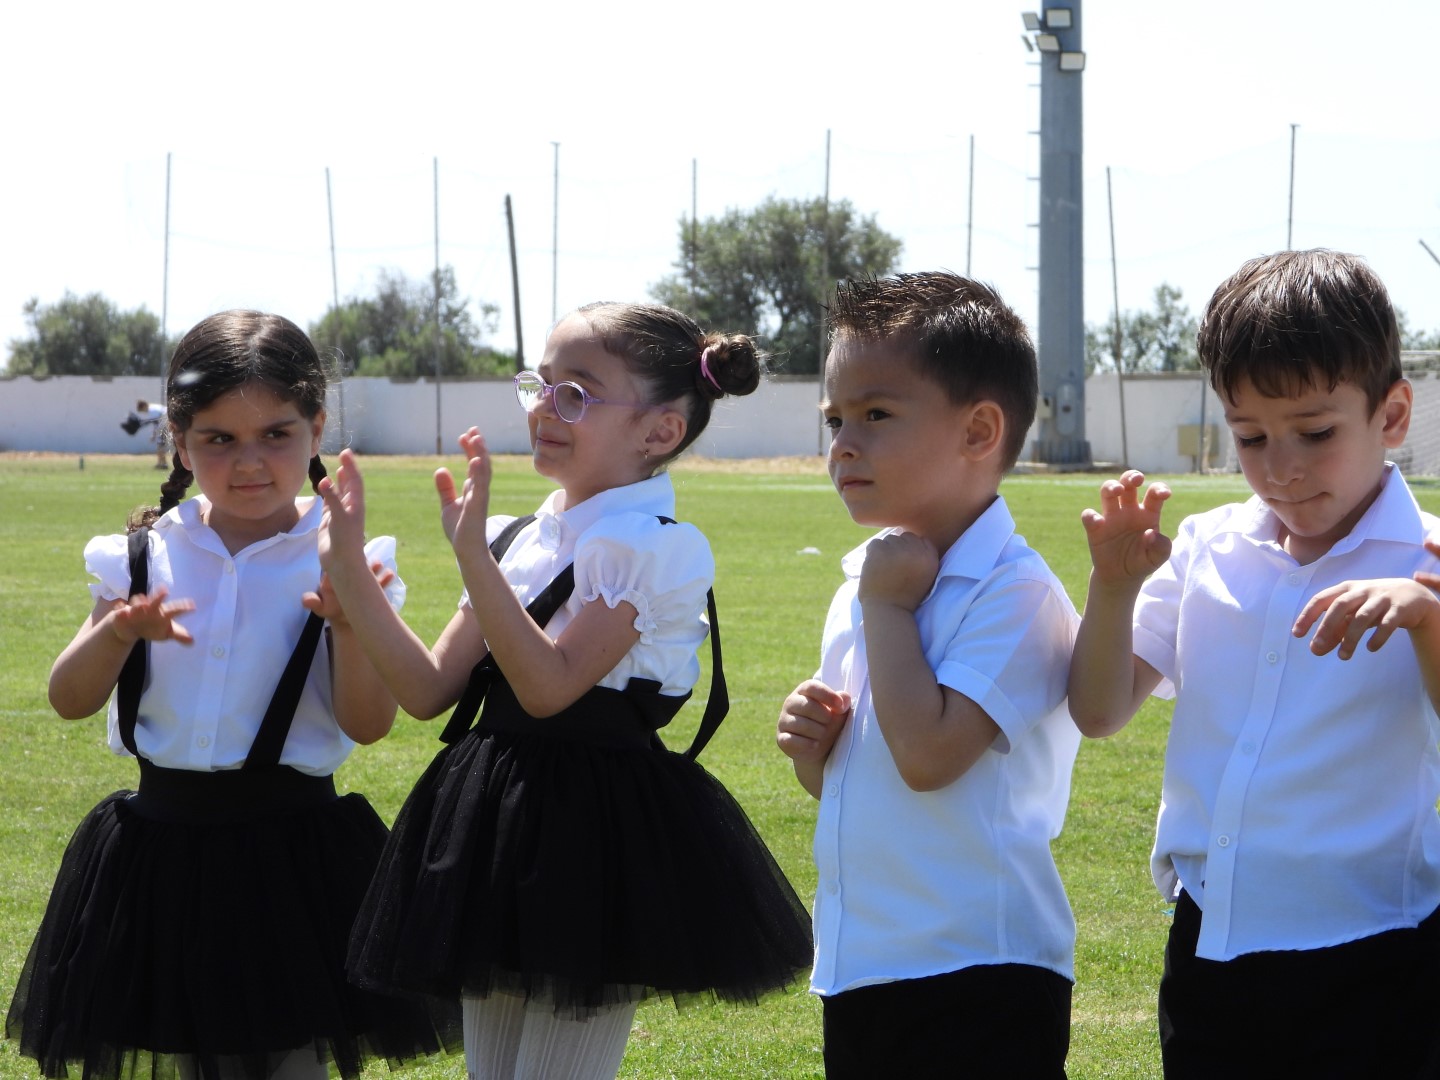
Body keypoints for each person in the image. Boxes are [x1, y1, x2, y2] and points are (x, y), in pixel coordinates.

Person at [320, 301, 812, 1080]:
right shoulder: (520, 537)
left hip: (595, 830)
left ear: (660, 432)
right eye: (539, 385)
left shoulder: (653, 547)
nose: (545, 409)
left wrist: (472, 559)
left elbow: (549, 686)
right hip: (492, 818)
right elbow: (426, 688)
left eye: (575, 394)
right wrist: (348, 568)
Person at [6, 311, 455, 1080]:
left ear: (316, 430)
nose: (250, 461)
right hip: (160, 855)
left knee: (291, 1062)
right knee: (198, 1059)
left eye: (276, 434)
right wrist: (117, 634)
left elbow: (368, 724)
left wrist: (350, 621)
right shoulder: (139, 557)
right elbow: (68, 698)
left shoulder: (346, 558)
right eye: (219, 438)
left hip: (294, 860)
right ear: (180, 441)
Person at [1067, 249, 1440, 1079]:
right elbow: (1098, 711)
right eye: (1250, 437)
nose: (1281, 466)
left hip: (1376, 957)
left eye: (1316, 432)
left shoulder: (1429, 561)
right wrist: (1114, 589)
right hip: (1211, 950)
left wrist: (1426, 621)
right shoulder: (1206, 546)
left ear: (1391, 415)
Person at [776, 272, 1081, 1078]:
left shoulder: (1013, 591)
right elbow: (858, 779)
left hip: (978, 970)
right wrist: (815, 749)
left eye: (876, 415)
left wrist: (885, 607)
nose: (843, 443)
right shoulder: (870, 579)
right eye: (835, 419)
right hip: (869, 960)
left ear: (979, 430)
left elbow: (927, 757)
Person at [120, 399, 169, 468]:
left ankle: (163, 464)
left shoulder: (152, 410)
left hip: (165, 426)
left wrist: (154, 435)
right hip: (165, 425)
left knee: (160, 445)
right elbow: (156, 423)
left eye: (142, 410)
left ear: (144, 406)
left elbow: (157, 423)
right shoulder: (153, 408)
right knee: (160, 445)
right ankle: (161, 463)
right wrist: (154, 434)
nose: (143, 412)